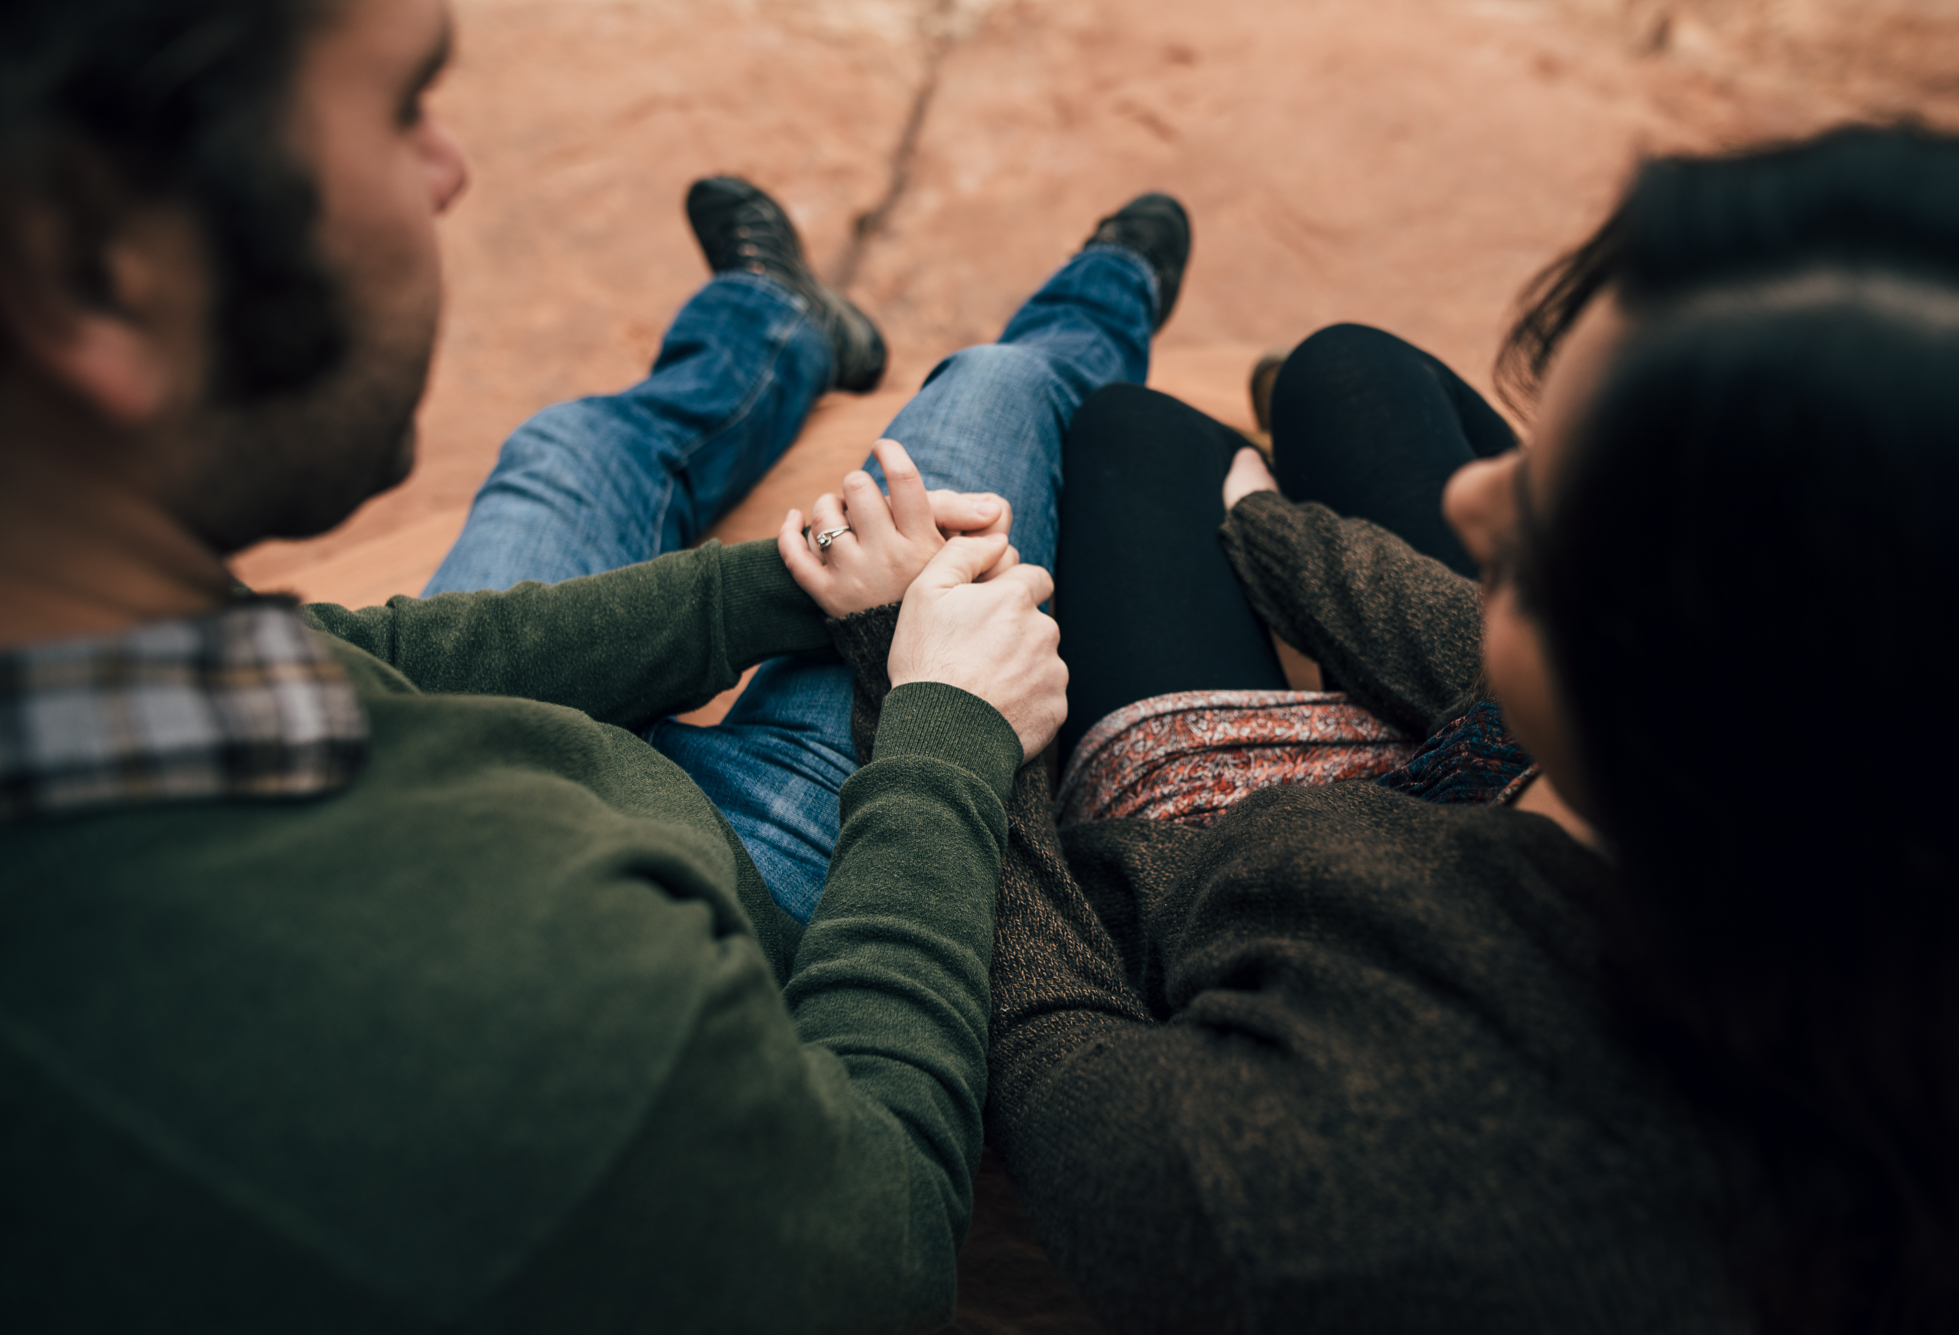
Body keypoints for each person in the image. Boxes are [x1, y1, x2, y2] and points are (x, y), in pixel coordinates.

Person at [0, 0, 1188, 1329]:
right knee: (991, 392)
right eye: (404, 109)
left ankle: (772, 320)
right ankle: (1099, 308)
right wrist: (945, 732)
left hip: (557, 770)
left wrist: (785, 581)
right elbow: (887, 1237)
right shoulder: (536, 1048)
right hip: (737, 880)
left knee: (570, 448)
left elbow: (371, 656)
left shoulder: (68, 631)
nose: (450, 170)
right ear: (98, 264)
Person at [919, 125, 1959, 1334]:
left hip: (1221, 879)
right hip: (1461, 790)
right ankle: (1283, 407)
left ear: (1705, 734)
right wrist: (1283, 538)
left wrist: (947, 717)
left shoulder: (1325, 1198)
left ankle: (1124, 314)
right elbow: (1525, 715)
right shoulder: (1869, 844)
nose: (1468, 500)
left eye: (1537, 537)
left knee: (1136, 432)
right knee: (1347, 371)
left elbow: (1051, 1041)